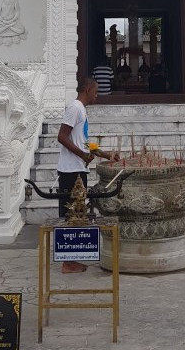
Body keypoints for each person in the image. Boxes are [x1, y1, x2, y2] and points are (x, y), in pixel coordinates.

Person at [56, 77, 118, 273]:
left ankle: (72, 259)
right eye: (96, 91)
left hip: (78, 167)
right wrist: (82, 155)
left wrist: (106, 154)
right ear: (88, 89)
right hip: (70, 170)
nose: (97, 95)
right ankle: (67, 262)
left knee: (77, 213)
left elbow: (85, 144)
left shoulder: (82, 110)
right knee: (71, 214)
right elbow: (61, 136)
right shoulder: (75, 107)